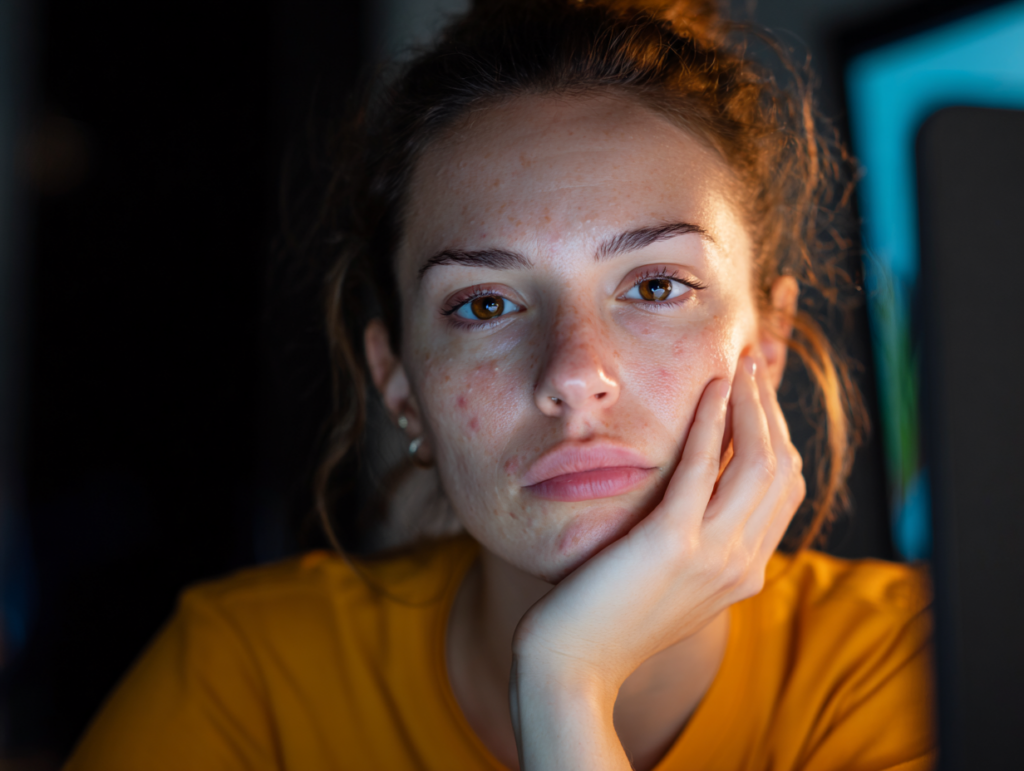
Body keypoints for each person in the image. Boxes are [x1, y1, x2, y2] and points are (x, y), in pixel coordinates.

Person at [64, 1, 935, 769]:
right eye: (484, 303)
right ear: (399, 382)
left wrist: (566, 685)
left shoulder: (925, 665)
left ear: (769, 343)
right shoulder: (245, 677)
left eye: (657, 286)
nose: (573, 373)